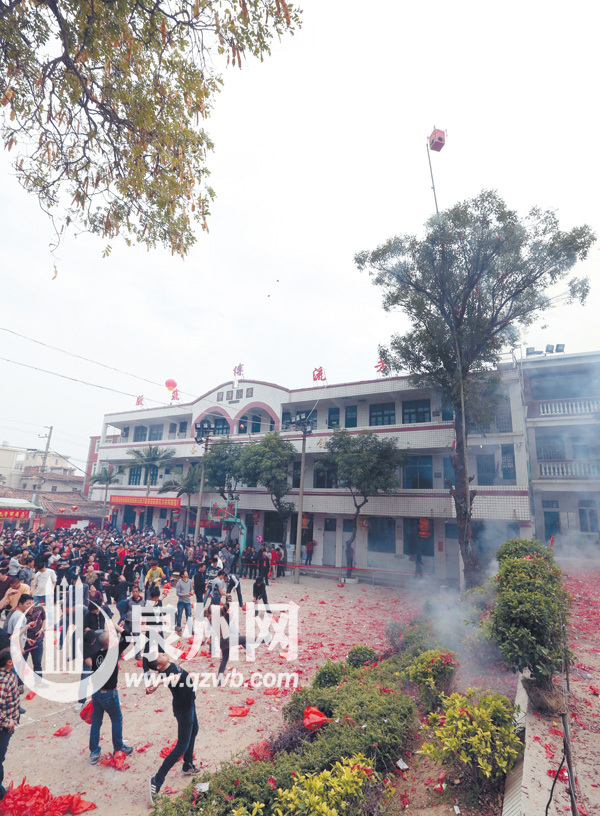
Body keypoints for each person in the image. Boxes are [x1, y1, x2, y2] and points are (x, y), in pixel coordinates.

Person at [147, 651, 200, 803]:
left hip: (189, 704)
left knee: (195, 730)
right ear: (159, 665)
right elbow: (175, 677)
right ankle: (156, 780)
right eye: (160, 656)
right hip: (184, 710)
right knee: (181, 746)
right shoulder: (168, 674)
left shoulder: (166, 667)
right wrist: (157, 683)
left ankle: (188, 765)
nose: (163, 654)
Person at [88, 630, 133, 764]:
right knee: (116, 719)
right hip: (109, 693)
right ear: (108, 643)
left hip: (96, 692)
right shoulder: (112, 653)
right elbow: (128, 636)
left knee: (96, 721)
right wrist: (116, 627)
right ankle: (119, 748)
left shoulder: (96, 654)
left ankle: (94, 751)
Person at [0, 649, 20, 802]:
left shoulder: (9, 674)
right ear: (9, 662)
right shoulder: (4, 681)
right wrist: (8, 722)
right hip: (3, 728)